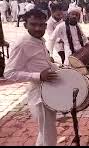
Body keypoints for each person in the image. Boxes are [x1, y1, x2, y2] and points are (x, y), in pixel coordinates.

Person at [4, 9, 59, 146]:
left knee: (46, 130)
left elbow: (40, 63)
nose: (37, 28)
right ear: (25, 25)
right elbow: (9, 73)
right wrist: (38, 76)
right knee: (49, 135)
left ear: (46, 26)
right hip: (38, 95)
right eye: (33, 24)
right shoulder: (22, 44)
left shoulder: (39, 40)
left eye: (41, 25)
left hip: (49, 90)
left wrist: (56, 67)